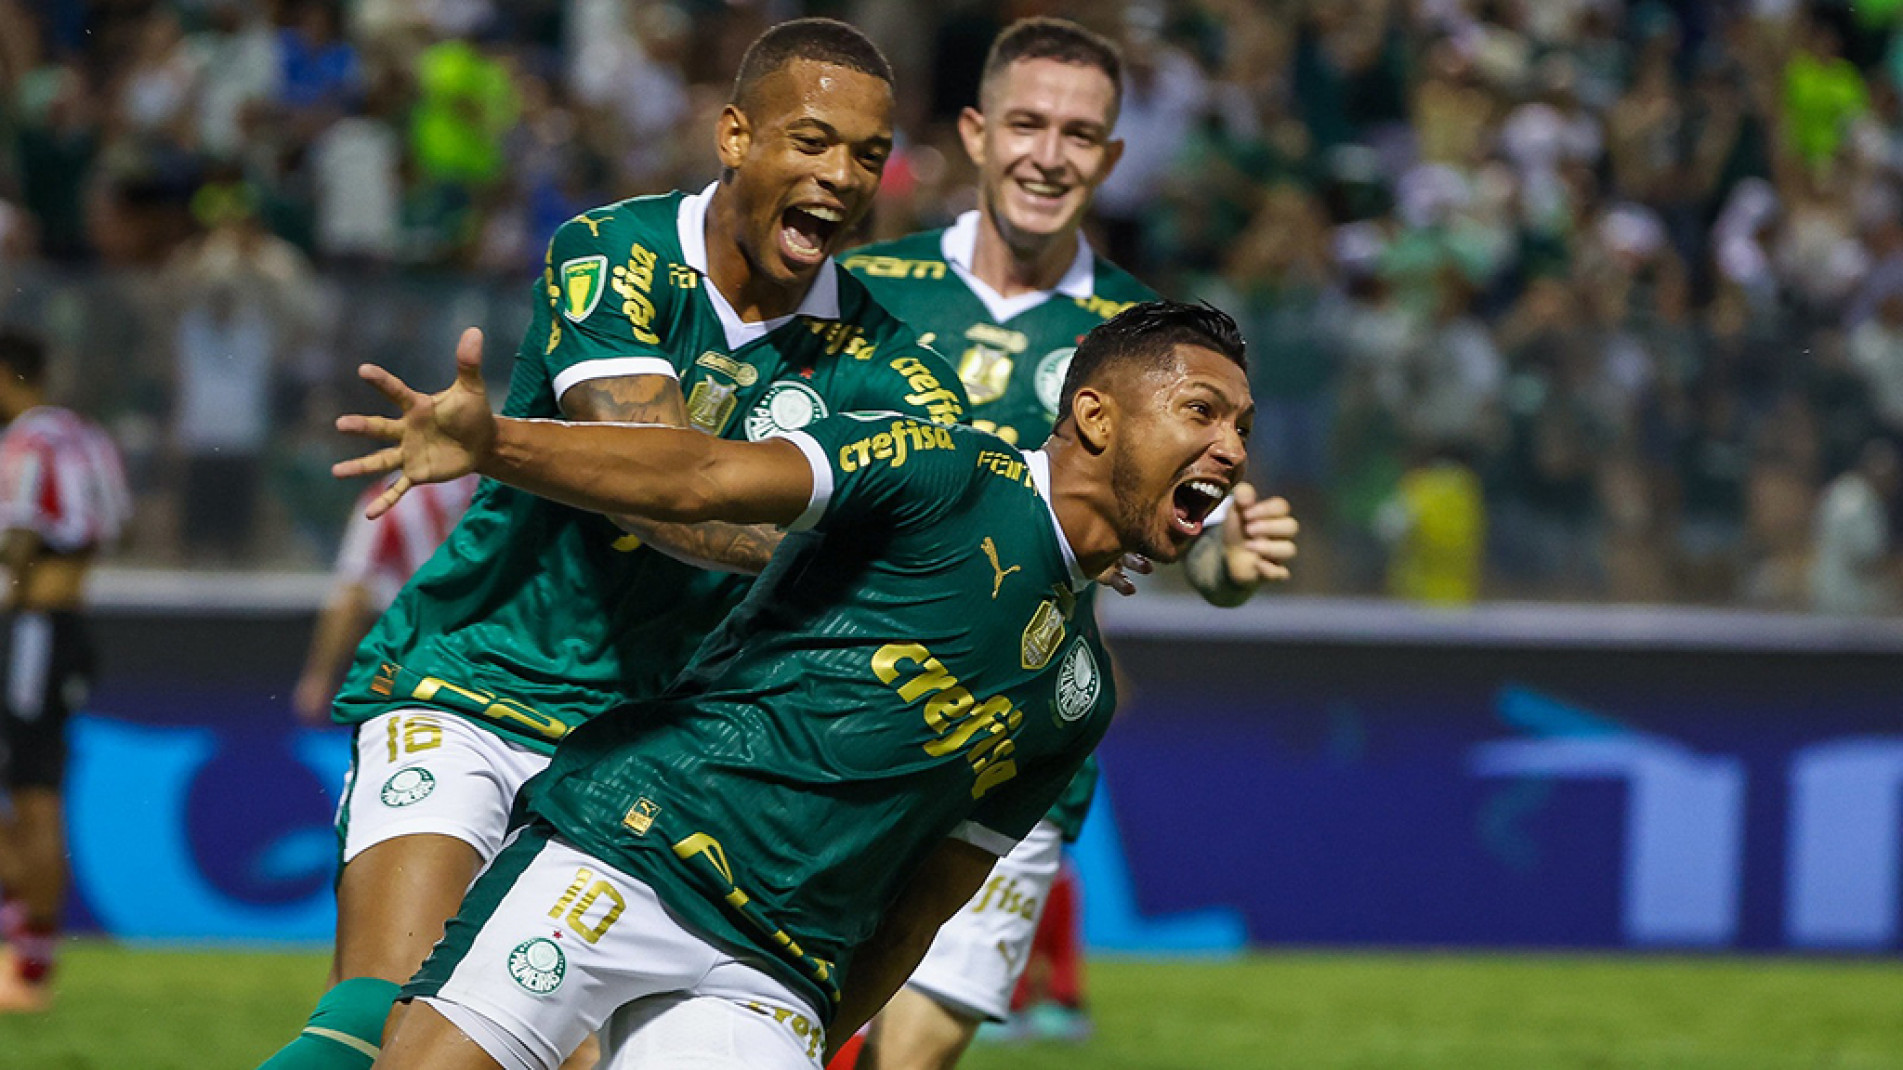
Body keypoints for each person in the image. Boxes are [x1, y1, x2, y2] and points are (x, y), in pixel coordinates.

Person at [257, 19, 968, 1070]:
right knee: (386, 1012)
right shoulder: (614, 254)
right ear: (734, 136)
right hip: (473, 676)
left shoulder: (895, 371)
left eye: (867, 154)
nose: (842, 176)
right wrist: (819, 552)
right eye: (812, 142)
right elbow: (651, 478)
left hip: (649, 749)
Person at [332, 299, 1294, 1070]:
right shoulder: (942, 469)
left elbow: (923, 909)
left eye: (1242, 426)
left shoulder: (1079, 695)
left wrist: (817, 1021)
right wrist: (495, 442)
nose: (1232, 448)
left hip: (773, 977)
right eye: (1202, 412)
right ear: (1093, 415)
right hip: (626, 854)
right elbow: (701, 474)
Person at [840, 19, 1292, 1066]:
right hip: (844, 723)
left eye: (1080, 133)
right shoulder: (865, 292)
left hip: (1015, 747)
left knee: (906, 1057)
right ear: (976, 132)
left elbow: (1205, 547)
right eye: (1028, 124)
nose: (1050, 154)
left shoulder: (1151, 335)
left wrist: (1236, 558)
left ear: (1113, 157)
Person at [0, 329, 131, 1012]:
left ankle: (23, 966)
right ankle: (28, 959)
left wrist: (14, 583)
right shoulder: (89, 437)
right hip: (69, 624)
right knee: (34, 787)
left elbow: (19, 536)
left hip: (30, 629)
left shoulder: (27, 443)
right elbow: (121, 526)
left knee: (30, 794)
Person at [291, 474, 479, 725]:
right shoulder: (503, 484)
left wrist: (319, 675)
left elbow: (352, 592)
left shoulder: (388, 500)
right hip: (500, 656)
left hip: (417, 663)